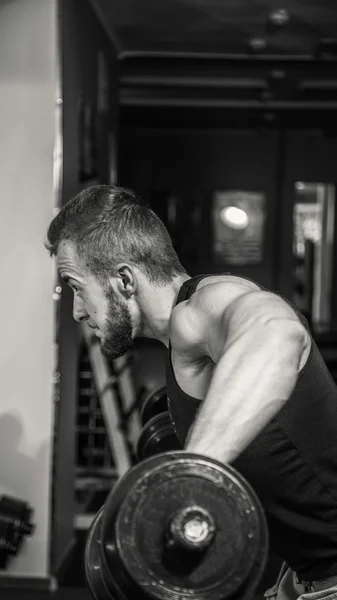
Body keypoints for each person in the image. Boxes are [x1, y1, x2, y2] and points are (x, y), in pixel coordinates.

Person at [45, 184, 337, 600]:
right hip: (302, 575)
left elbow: (276, 332)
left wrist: (186, 477)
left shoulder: (203, 307)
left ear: (124, 279)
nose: (76, 310)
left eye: (76, 286)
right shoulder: (180, 346)